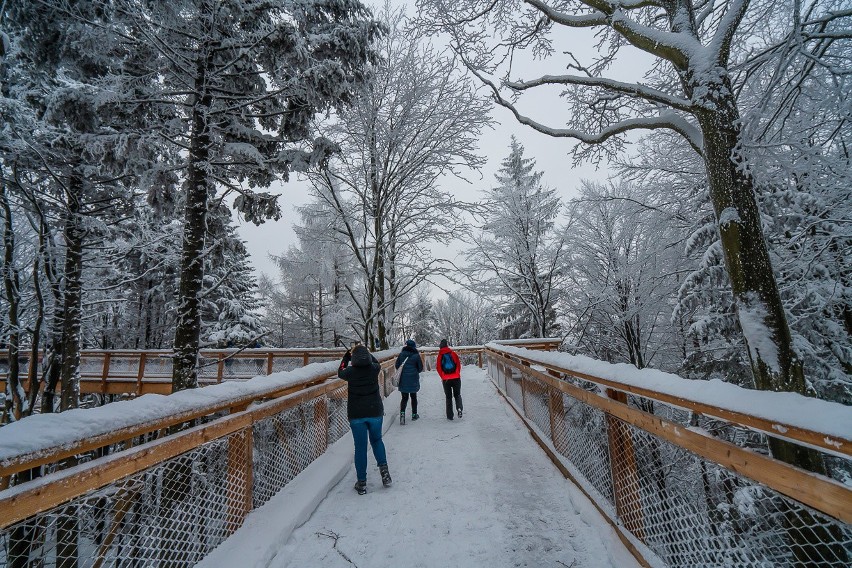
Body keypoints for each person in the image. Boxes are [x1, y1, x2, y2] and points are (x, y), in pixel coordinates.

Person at [338, 344, 392, 494]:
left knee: (360, 447)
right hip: (375, 412)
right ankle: (385, 474)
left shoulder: (349, 372)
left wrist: (346, 357)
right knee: (377, 440)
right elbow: (377, 362)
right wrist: (368, 353)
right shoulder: (374, 369)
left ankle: (361, 483)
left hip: (357, 415)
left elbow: (340, 371)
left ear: (354, 359)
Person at [394, 339, 423, 425]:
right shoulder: (416, 355)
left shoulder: (401, 355)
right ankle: (414, 414)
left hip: (403, 379)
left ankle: (402, 414)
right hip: (413, 378)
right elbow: (420, 368)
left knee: (404, 398)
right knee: (413, 397)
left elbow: (397, 365)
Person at [437, 339, 463, 420]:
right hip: (456, 378)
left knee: (448, 397)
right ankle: (459, 408)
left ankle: (450, 416)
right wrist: (457, 374)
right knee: (457, 395)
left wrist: (443, 376)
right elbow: (458, 365)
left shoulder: (440, 356)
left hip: (446, 379)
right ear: (447, 345)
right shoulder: (453, 354)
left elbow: (438, 368)